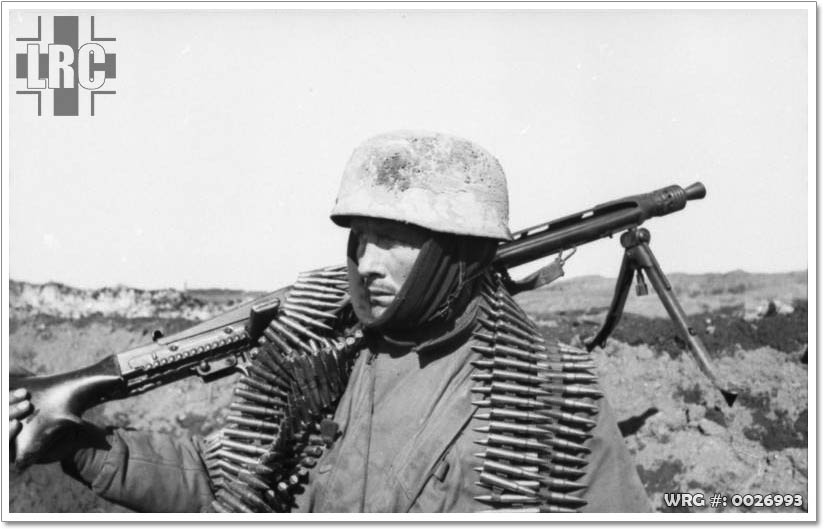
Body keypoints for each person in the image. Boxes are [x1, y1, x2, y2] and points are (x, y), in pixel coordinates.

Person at [9, 130, 651, 513]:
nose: (365, 262)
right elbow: (225, 486)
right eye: (358, 236)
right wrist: (87, 450)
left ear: (457, 250)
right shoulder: (323, 345)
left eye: (394, 239)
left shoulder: (545, 392)